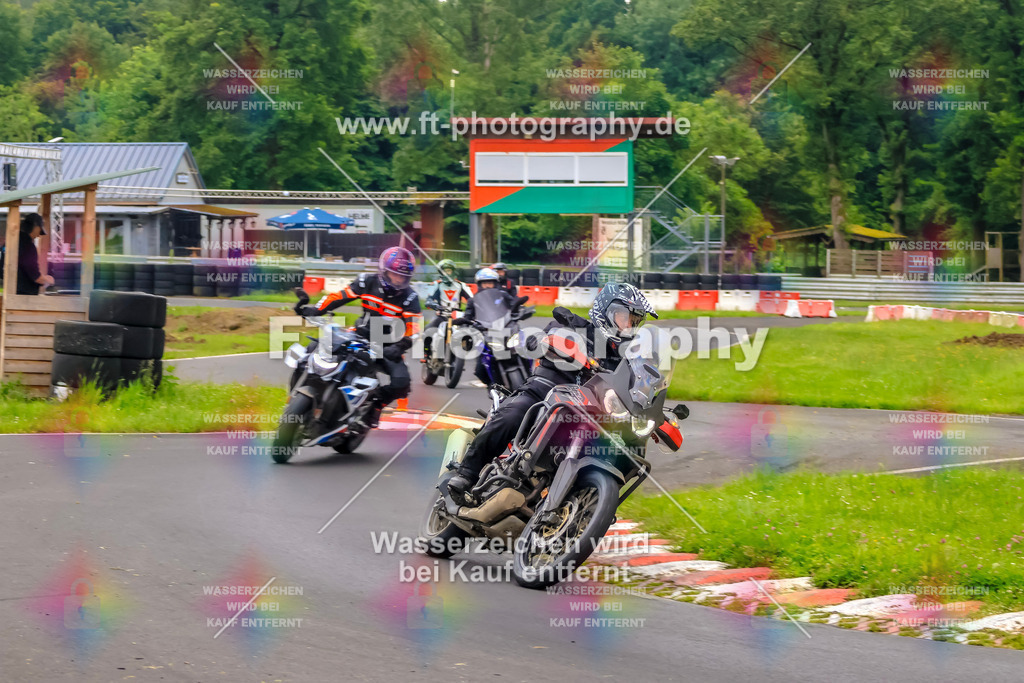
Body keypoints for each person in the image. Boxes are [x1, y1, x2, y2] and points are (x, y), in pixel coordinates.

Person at [446, 282, 657, 496]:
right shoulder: (574, 327)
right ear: (607, 311)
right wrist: (543, 341)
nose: (629, 325)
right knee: (514, 413)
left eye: (634, 321)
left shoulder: (625, 358)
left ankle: (586, 501)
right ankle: (467, 472)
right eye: (625, 318)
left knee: (624, 447)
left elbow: (638, 384)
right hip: (546, 392)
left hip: (591, 411)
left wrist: (650, 405)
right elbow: (541, 338)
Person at [295, 246, 420, 428]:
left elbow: (414, 327)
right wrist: (317, 309)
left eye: (403, 277)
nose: (399, 280)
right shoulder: (366, 281)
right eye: (395, 275)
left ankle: (376, 406)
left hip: (389, 346)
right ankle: (297, 392)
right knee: (314, 348)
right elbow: (340, 296)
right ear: (384, 271)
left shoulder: (411, 297)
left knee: (402, 383)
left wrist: (401, 345)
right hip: (360, 334)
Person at [456, 267, 527, 385]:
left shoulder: (503, 295)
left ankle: (531, 376)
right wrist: (466, 325)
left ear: (495, 283)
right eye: (485, 283)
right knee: (479, 369)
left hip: (506, 328)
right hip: (485, 332)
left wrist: (521, 311)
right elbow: (468, 317)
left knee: (526, 346)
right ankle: (492, 387)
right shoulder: (473, 301)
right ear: (479, 284)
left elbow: (515, 306)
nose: (488, 286)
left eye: (490, 283)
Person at [422, 258, 472, 358]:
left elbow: (472, 300)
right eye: (444, 271)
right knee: (428, 330)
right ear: (440, 272)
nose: (447, 273)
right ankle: (426, 353)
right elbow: (429, 299)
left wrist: (472, 308)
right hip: (442, 316)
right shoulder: (437, 285)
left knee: (470, 330)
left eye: (449, 270)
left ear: (453, 271)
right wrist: (434, 305)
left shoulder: (461, 285)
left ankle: (464, 350)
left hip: (457, 317)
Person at [10, 213, 54, 295]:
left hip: (10, 291)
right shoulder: (28, 246)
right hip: (24, 296)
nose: (38, 236)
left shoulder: (11, 241)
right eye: (39, 231)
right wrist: (48, 280)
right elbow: (35, 276)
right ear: (36, 227)